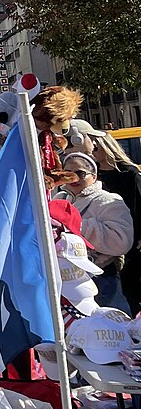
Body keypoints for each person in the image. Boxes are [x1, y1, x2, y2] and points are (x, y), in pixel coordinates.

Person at [70, 119, 141, 313]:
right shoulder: (81, 184)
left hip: (129, 248)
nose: (93, 149)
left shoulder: (129, 175)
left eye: (97, 145)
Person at [54, 149, 134, 311]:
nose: (74, 178)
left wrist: (78, 225)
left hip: (101, 279)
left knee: (109, 330)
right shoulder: (59, 199)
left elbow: (122, 242)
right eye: (67, 173)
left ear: (94, 176)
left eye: (80, 173)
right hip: (64, 280)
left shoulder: (108, 200)